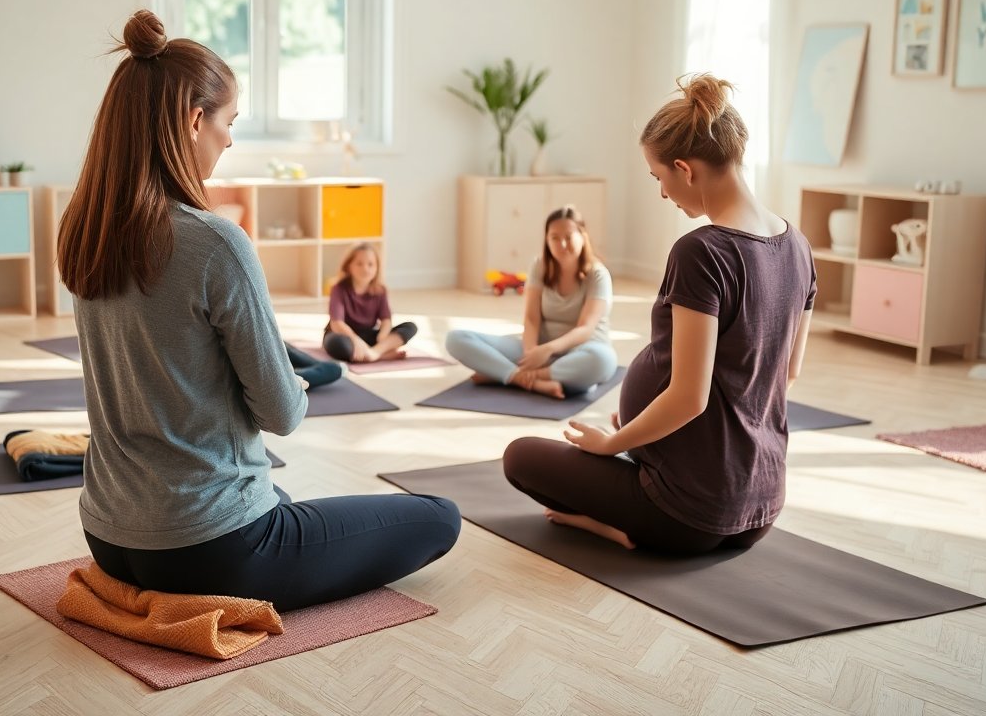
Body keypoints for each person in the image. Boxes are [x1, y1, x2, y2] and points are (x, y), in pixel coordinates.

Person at [57, 9, 459, 612]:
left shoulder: (86, 230)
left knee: (294, 502)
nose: (229, 139)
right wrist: (288, 382)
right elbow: (282, 414)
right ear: (195, 121)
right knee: (439, 517)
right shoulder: (215, 243)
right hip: (211, 548)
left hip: (109, 534)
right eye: (228, 123)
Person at [502, 73, 815, 554]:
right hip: (762, 506)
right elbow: (783, 376)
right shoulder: (798, 245)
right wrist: (639, 434)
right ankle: (639, 489)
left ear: (685, 169)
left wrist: (614, 443)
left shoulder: (703, 251)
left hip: (686, 514)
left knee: (519, 457)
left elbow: (689, 399)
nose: (663, 193)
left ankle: (620, 529)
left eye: (659, 178)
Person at [445, 207, 618, 399]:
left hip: (582, 349)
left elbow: (585, 328)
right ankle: (533, 381)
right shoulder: (540, 266)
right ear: (547, 240)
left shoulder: (598, 274)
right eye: (554, 237)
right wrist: (530, 353)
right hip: (539, 350)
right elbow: (531, 318)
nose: (562, 243)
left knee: (602, 361)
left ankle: (507, 375)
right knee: (455, 339)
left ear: (582, 236)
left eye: (569, 237)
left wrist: (547, 351)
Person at [323, 243, 418, 362]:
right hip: (345, 335)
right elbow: (337, 324)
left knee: (410, 327)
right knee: (336, 344)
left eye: (370, 264)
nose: (365, 269)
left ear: (377, 267)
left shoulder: (380, 290)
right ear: (349, 266)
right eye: (359, 264)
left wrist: (382, 337)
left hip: (369, 334)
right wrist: (355, 340)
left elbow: (386, 320)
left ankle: (374, 353)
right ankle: (382, 355)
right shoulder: (338, 289)